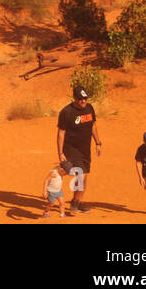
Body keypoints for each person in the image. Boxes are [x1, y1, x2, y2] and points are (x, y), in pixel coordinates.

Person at [56, 86, 102, 214]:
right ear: (75, 98)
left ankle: (77, 201)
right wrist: (60, 153)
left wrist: (98, 142)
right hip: (71, 148)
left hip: (85, 148)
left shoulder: (89, 108)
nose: (83, 101)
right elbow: (61, 133)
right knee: (80, 174)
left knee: (85, 175)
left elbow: (93, 125)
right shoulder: (66, 112)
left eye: (85, 98)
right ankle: (75, 203)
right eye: (80, 99)